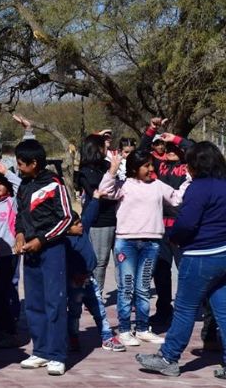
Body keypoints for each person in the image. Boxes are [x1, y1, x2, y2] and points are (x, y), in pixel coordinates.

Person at [135, 142, 226, 379]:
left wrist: (174, 237)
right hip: (223, 254)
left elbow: (186, 223)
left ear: (197, 164)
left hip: (200, 255)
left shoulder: (198, 188)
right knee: (223, 310)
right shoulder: (223, 185)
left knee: (185, 309)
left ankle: (168, 357)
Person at [98, 151, 189, 347]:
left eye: (151, 165)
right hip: (126, 243)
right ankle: (124, 330)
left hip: (151, 244)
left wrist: (189, 178)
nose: (151, 169)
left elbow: (177, 198)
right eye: (146, 166)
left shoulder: (158, 186)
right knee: (126, 288)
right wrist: (112, 170)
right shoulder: (124, 187)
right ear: (134, 168)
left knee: (143, 287)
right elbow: (104, 190)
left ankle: (142, 328)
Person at [14, 139, 73, 376]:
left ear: (34, 162)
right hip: (30, 253)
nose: (18, 168)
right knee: (34, 303)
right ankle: (40, 350)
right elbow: (20, 215)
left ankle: (57, 355)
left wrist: (42, 239)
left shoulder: (54, 184)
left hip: (51, 251)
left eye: (21, 164)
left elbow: (67, 218)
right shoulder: (23, 185)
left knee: (55, 303)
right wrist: (19, 235)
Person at [139, 119, 194, 325]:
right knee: (160, 272)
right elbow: (141, 149)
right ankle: (163, 310)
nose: (171, 150)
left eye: (175, 148)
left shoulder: (188, 166)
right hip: (160, 228)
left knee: (187, 271)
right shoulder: (157, 165)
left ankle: (188, 310)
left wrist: (176, 138)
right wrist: (153, 129)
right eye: (167, 147)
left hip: (182, 228)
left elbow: (195, 148)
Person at [65, 191, 125, 353]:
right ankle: (72, 337)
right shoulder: (64, 243)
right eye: (76, 224)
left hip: (89, 280)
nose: (80, 225)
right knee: (74, 312)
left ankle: (107, 336)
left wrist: (96, 198)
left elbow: (89, 214)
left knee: (99, 309)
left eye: (79, 222)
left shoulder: (83, 231)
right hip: (73, 283)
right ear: (66, 228)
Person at [77, 134, 119, 299]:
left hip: (117, 218)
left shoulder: (108, 165)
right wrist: (112, 174)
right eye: (104, 145)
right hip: (99, 221)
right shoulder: (85, 172)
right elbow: (99, 192)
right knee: (100, 262)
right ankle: (95, 295)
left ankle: (125, 295)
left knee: (121, 261)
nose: (107, 149)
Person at [0, 170, 22, 349]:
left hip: (9, 255)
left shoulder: (12, 203)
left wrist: (6, 172)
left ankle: (11, 332)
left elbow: (21, 186)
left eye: (1, 183)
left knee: (5, 293)